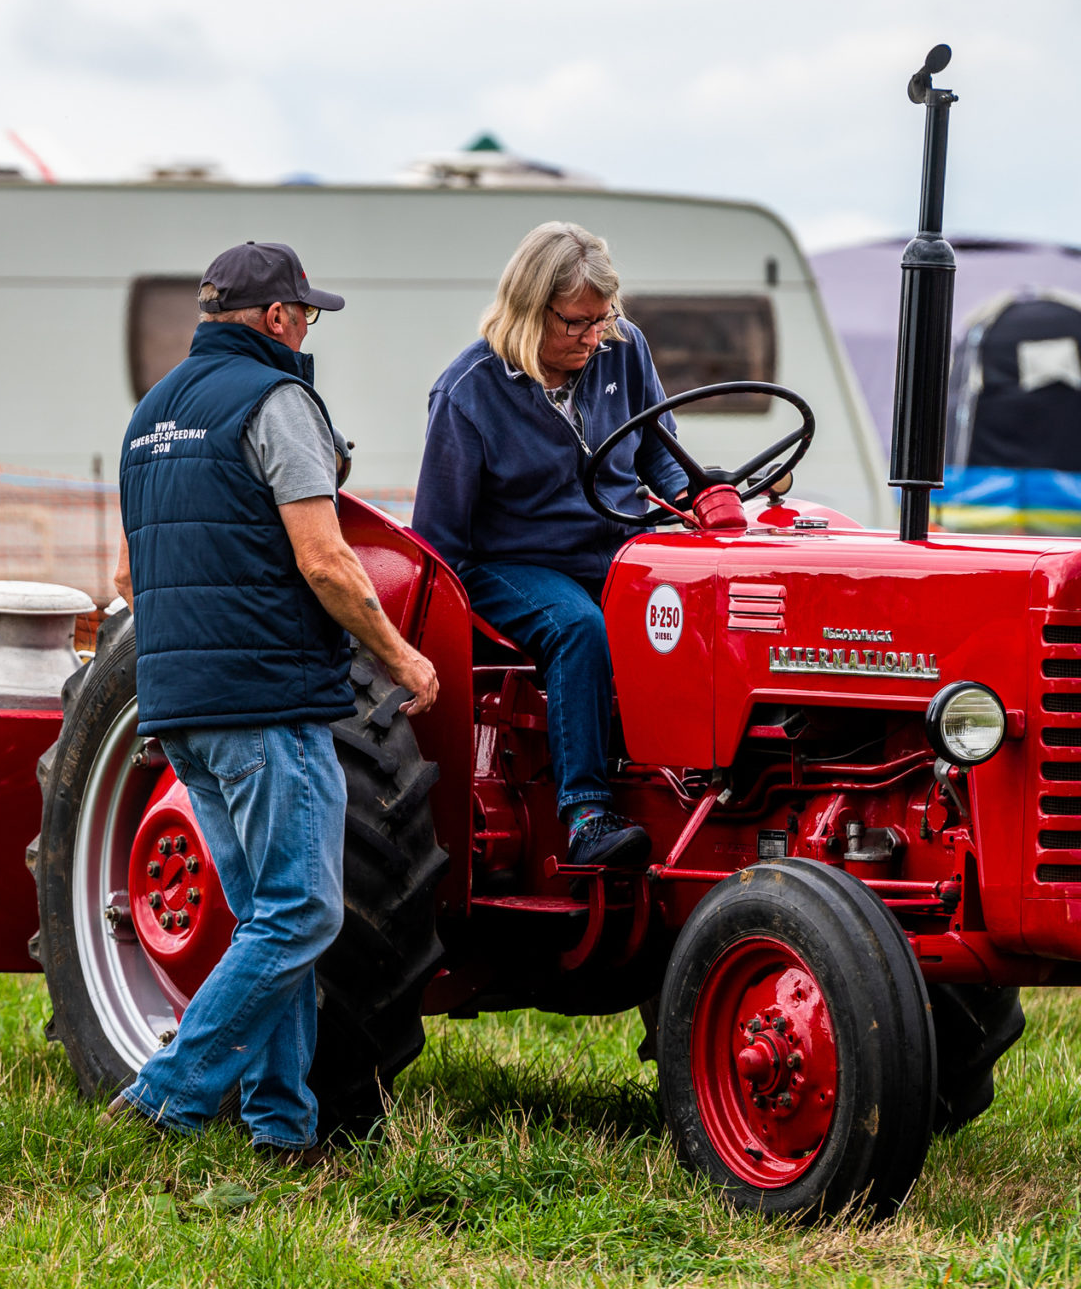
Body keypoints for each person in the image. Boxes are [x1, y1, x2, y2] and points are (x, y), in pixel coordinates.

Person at [105, 241, 440, 1163]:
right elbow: (326, 561)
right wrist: (401, 656)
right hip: (267, 703)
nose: (307, 331)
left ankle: (282, 1127)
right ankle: (165, 1093)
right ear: (280, 318)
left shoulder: (150, 415)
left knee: (269, 919)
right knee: (303, 915)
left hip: (179, 709)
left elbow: (130, 576)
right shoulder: (279, 402)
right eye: (307, 315)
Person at [412, 222, 689, 867]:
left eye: (603, 318)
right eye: (576, 324)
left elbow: (660, 453)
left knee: (695, 602)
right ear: (530, 311)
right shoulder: (467, 392)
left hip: (619, 549)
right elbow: (439, 546)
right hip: (509, 563)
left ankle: (694, 781)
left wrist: (701, 501)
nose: (594, 338)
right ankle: (586, 815)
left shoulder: (623, 347)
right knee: (576, 626)